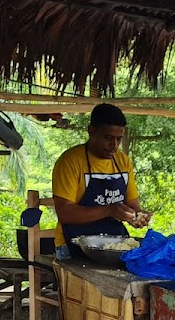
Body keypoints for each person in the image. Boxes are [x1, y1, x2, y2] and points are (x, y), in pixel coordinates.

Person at [52, 103, 150, 258]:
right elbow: (64, 213)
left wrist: (137, 216)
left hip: (113, 244)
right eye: (108, 138)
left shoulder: (123, 162)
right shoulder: (71, 161)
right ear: (91, 131)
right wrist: (109, 209)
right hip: (73, 246)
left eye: (119, 139)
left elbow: (132, 204)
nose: (114, 145)